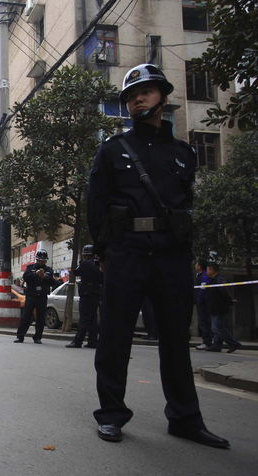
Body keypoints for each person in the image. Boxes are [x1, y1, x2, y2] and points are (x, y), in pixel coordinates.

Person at [87, 64, 229, 448]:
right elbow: (96, 206)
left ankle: (185, 419)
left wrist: (186, 253)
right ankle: (111, 415)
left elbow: (187, 204)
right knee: (115, 338)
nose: (137, 99)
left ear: (162, 97)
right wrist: (104, 252)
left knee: (176, 341)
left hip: (171, 257)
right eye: (131, 96)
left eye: (145, 92)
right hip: (126, 253)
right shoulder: (112, 150)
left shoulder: (184, 153)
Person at [14, 249, 58, 344]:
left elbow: (52, 282)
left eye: (43, 260)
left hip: (42, 296)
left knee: (40, 317)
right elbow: (25, 277)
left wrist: (44, 276)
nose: (41, 262)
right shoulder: (30, 268)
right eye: (40, 260)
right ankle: (20, 336)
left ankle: (37, 337)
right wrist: (35, 274)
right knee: (26, 316)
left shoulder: (49, 270)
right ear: (37, 259)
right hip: (31, 295)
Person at [66, 244, 101, 349]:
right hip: (95, 294)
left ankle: (78, 341)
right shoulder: (98, 264)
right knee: (93, 319)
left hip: (86, 294)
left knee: (84, 319)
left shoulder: (85, 263)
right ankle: (92, 341)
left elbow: (76, 272)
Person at [204, 263, 241, 353]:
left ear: (212, 270)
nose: (207, 271)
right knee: (216, 328)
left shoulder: (219, 279)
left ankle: (233, 343)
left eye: (208, 269)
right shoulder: (213, 279)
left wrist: (230, 300)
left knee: (218, 328)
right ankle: (217, 345)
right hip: (214, 307)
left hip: (219, 307)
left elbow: (224, 291)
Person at [194, 260, 212, 350]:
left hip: (203, 303)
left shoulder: (204, 276)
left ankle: (207, 342)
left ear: (200, 266)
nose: (195, 266)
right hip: (201, 302)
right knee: (203, 322)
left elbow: (202, 289)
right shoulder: (199, 275)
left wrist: (199, 300)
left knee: (204, 322)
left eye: (196, 264)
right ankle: (206, 341)